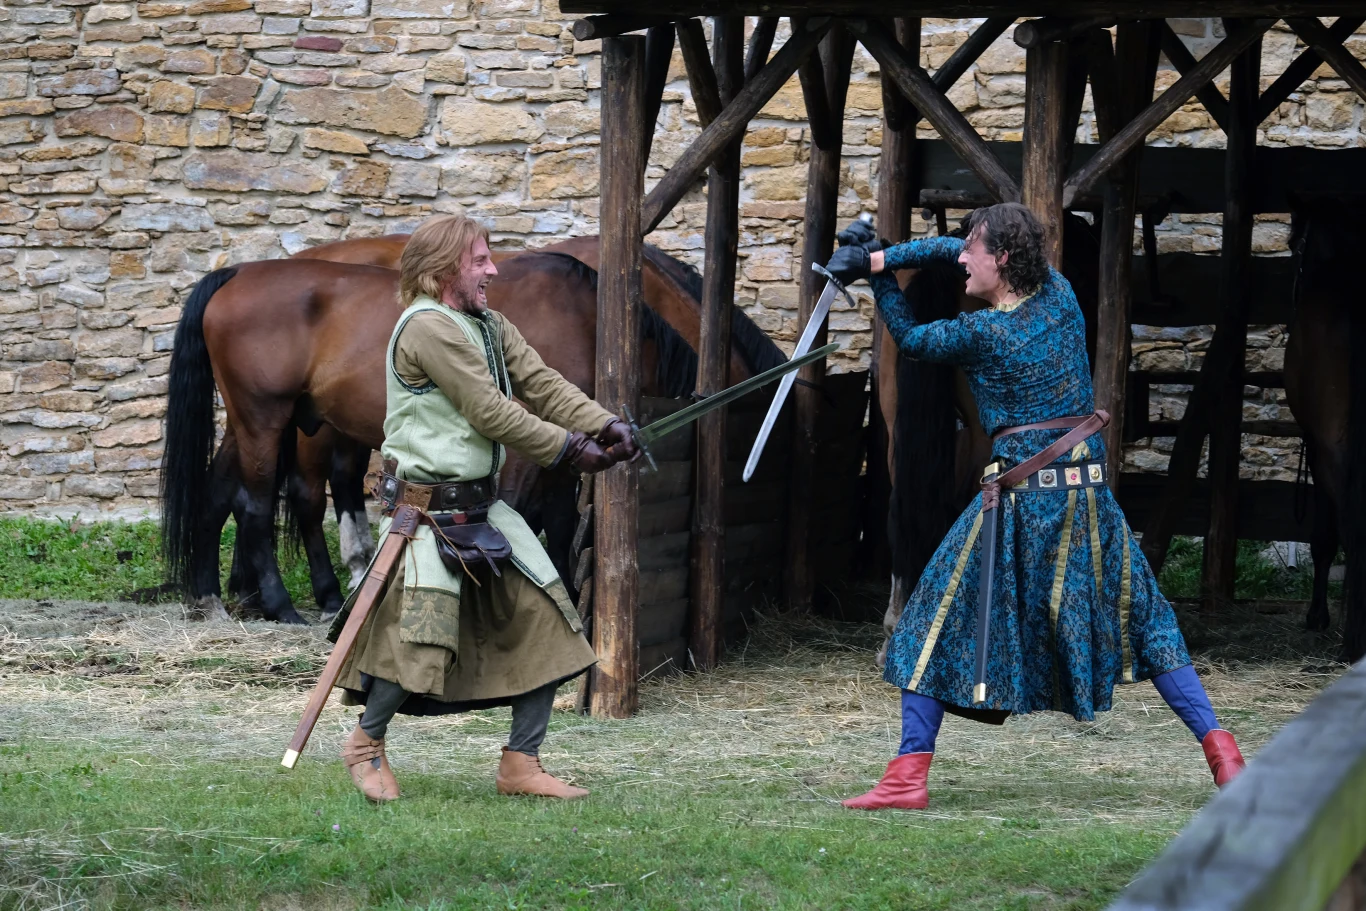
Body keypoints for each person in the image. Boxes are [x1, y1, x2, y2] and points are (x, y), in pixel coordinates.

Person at [825, 203, 1246, 811]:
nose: (961, 256)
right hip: (1089, 497)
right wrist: (881, 256)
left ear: (1000, 259)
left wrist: (879, 275)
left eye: (973, 249)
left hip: (1019, 506)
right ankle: (1224, 755)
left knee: (926, 624)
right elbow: (947, 251)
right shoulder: (1060, 294)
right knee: (1150, 623)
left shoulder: (981, 333)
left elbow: (913, 340)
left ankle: (906, 777)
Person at [329, 214, 638, 803]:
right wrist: (570, 448)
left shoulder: (487, 324)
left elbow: (540, 383)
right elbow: (488, 410)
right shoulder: (426, 327)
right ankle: (365, 744)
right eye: (480, 260)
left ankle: (521, 763)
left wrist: (606, 424)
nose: (493, 269)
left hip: (481, 511)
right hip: (425, 516)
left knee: (547, 625)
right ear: (445, 269)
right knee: (420, 642)